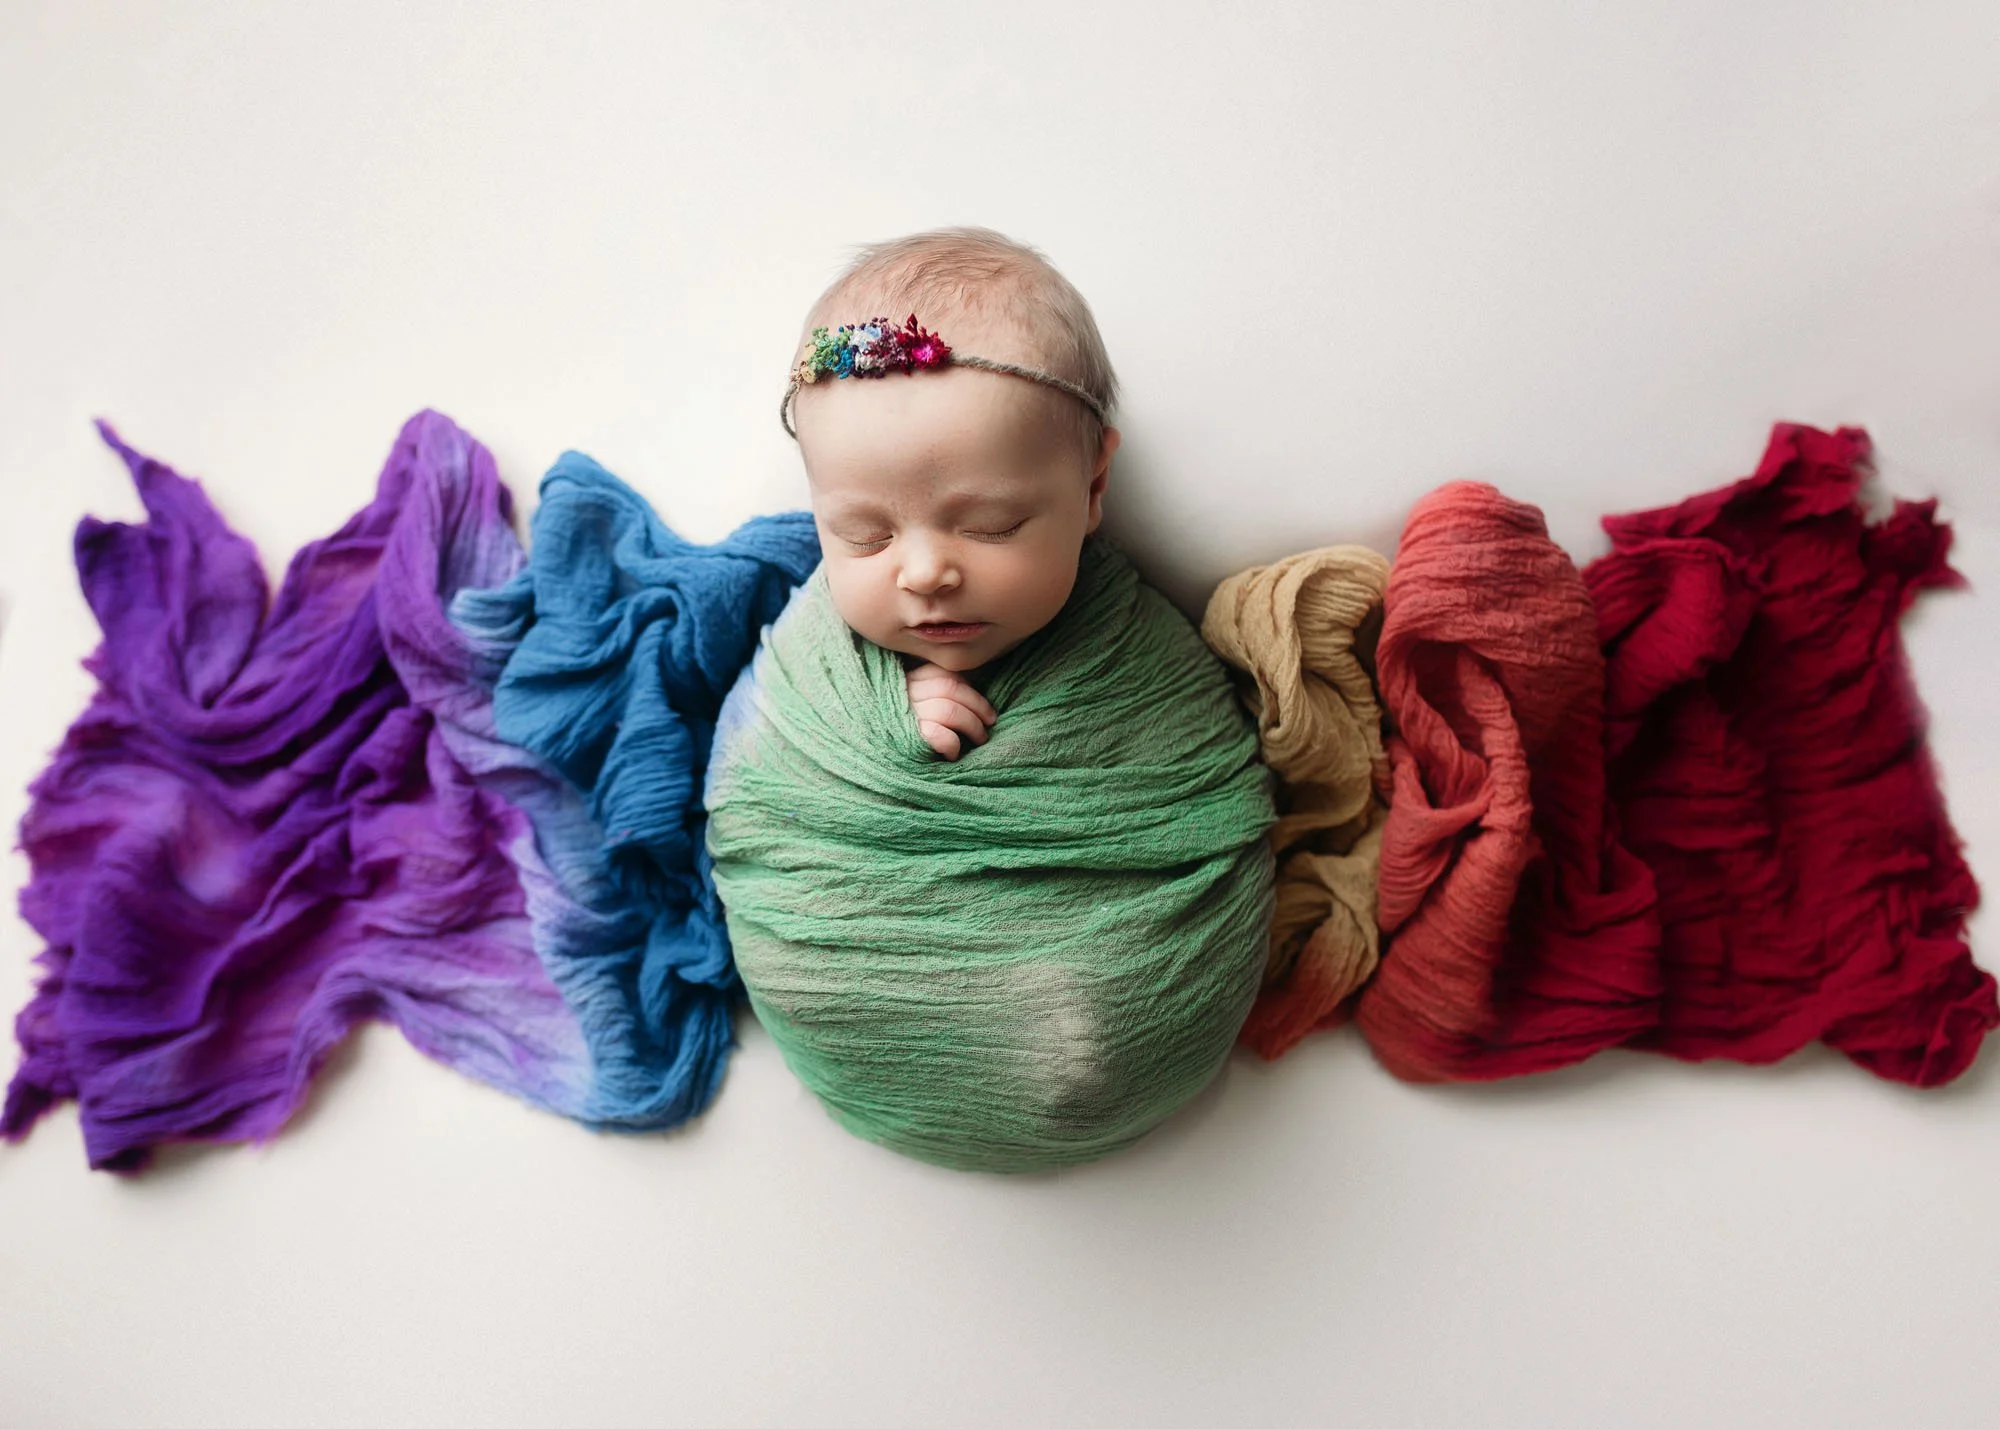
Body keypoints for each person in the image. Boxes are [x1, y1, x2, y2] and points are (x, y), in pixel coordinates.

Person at [779, 226, 1122, 759]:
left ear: (1093, 486)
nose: (923, 574)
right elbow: (759, 758)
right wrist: (877, 711)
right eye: (864, 535)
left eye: (992, 525)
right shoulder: (809, 655)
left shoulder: (1134, 652)